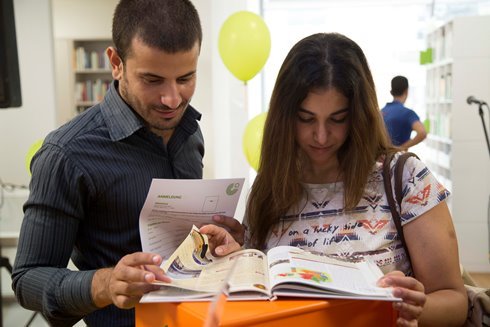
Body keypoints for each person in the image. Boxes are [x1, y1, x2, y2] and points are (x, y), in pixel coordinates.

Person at [12, 1, 242, 326]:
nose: (172, 99)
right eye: (153, 80)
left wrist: (215, 241)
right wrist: (106, 284)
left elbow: (184, 245)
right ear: (116, 63)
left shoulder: (191, 134)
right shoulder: (65, 154)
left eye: (186, 77)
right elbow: (27, 279)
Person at [243, 33, 467, 326]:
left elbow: (454, 299)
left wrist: (414, 310)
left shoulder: (406, 178)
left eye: (337, 119)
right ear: (284, 117)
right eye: (306, 118)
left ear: (358, 115)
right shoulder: (268, 187)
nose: (321, 136)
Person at [381, 75, 427, 149]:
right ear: (406, 91)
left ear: (391, 92)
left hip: (381, 158)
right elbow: (422, 133)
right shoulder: (408, 113)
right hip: (399, 158)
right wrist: (401, 148)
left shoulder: (381, 112)